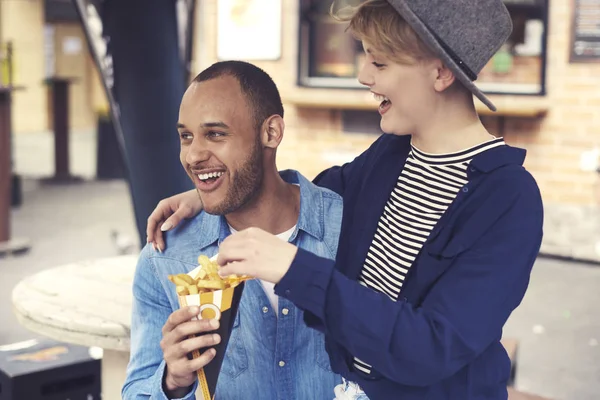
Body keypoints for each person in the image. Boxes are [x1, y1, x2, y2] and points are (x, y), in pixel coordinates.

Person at [146, 1, 544, 399]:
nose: (362, 76)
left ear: (440, 72)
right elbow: (312, 193)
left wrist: (294, 269)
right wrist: (212, 191)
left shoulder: (509, 198)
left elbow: (431, 347)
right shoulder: (391, 153)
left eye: (381, 63)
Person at [122, 60, 343, 400]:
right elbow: (137, 392)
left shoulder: (349, 230)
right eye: (186, 136)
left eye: (215, 134)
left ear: (271, 132)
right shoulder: (165, 257)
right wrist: (173, 382)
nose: (193, 155)